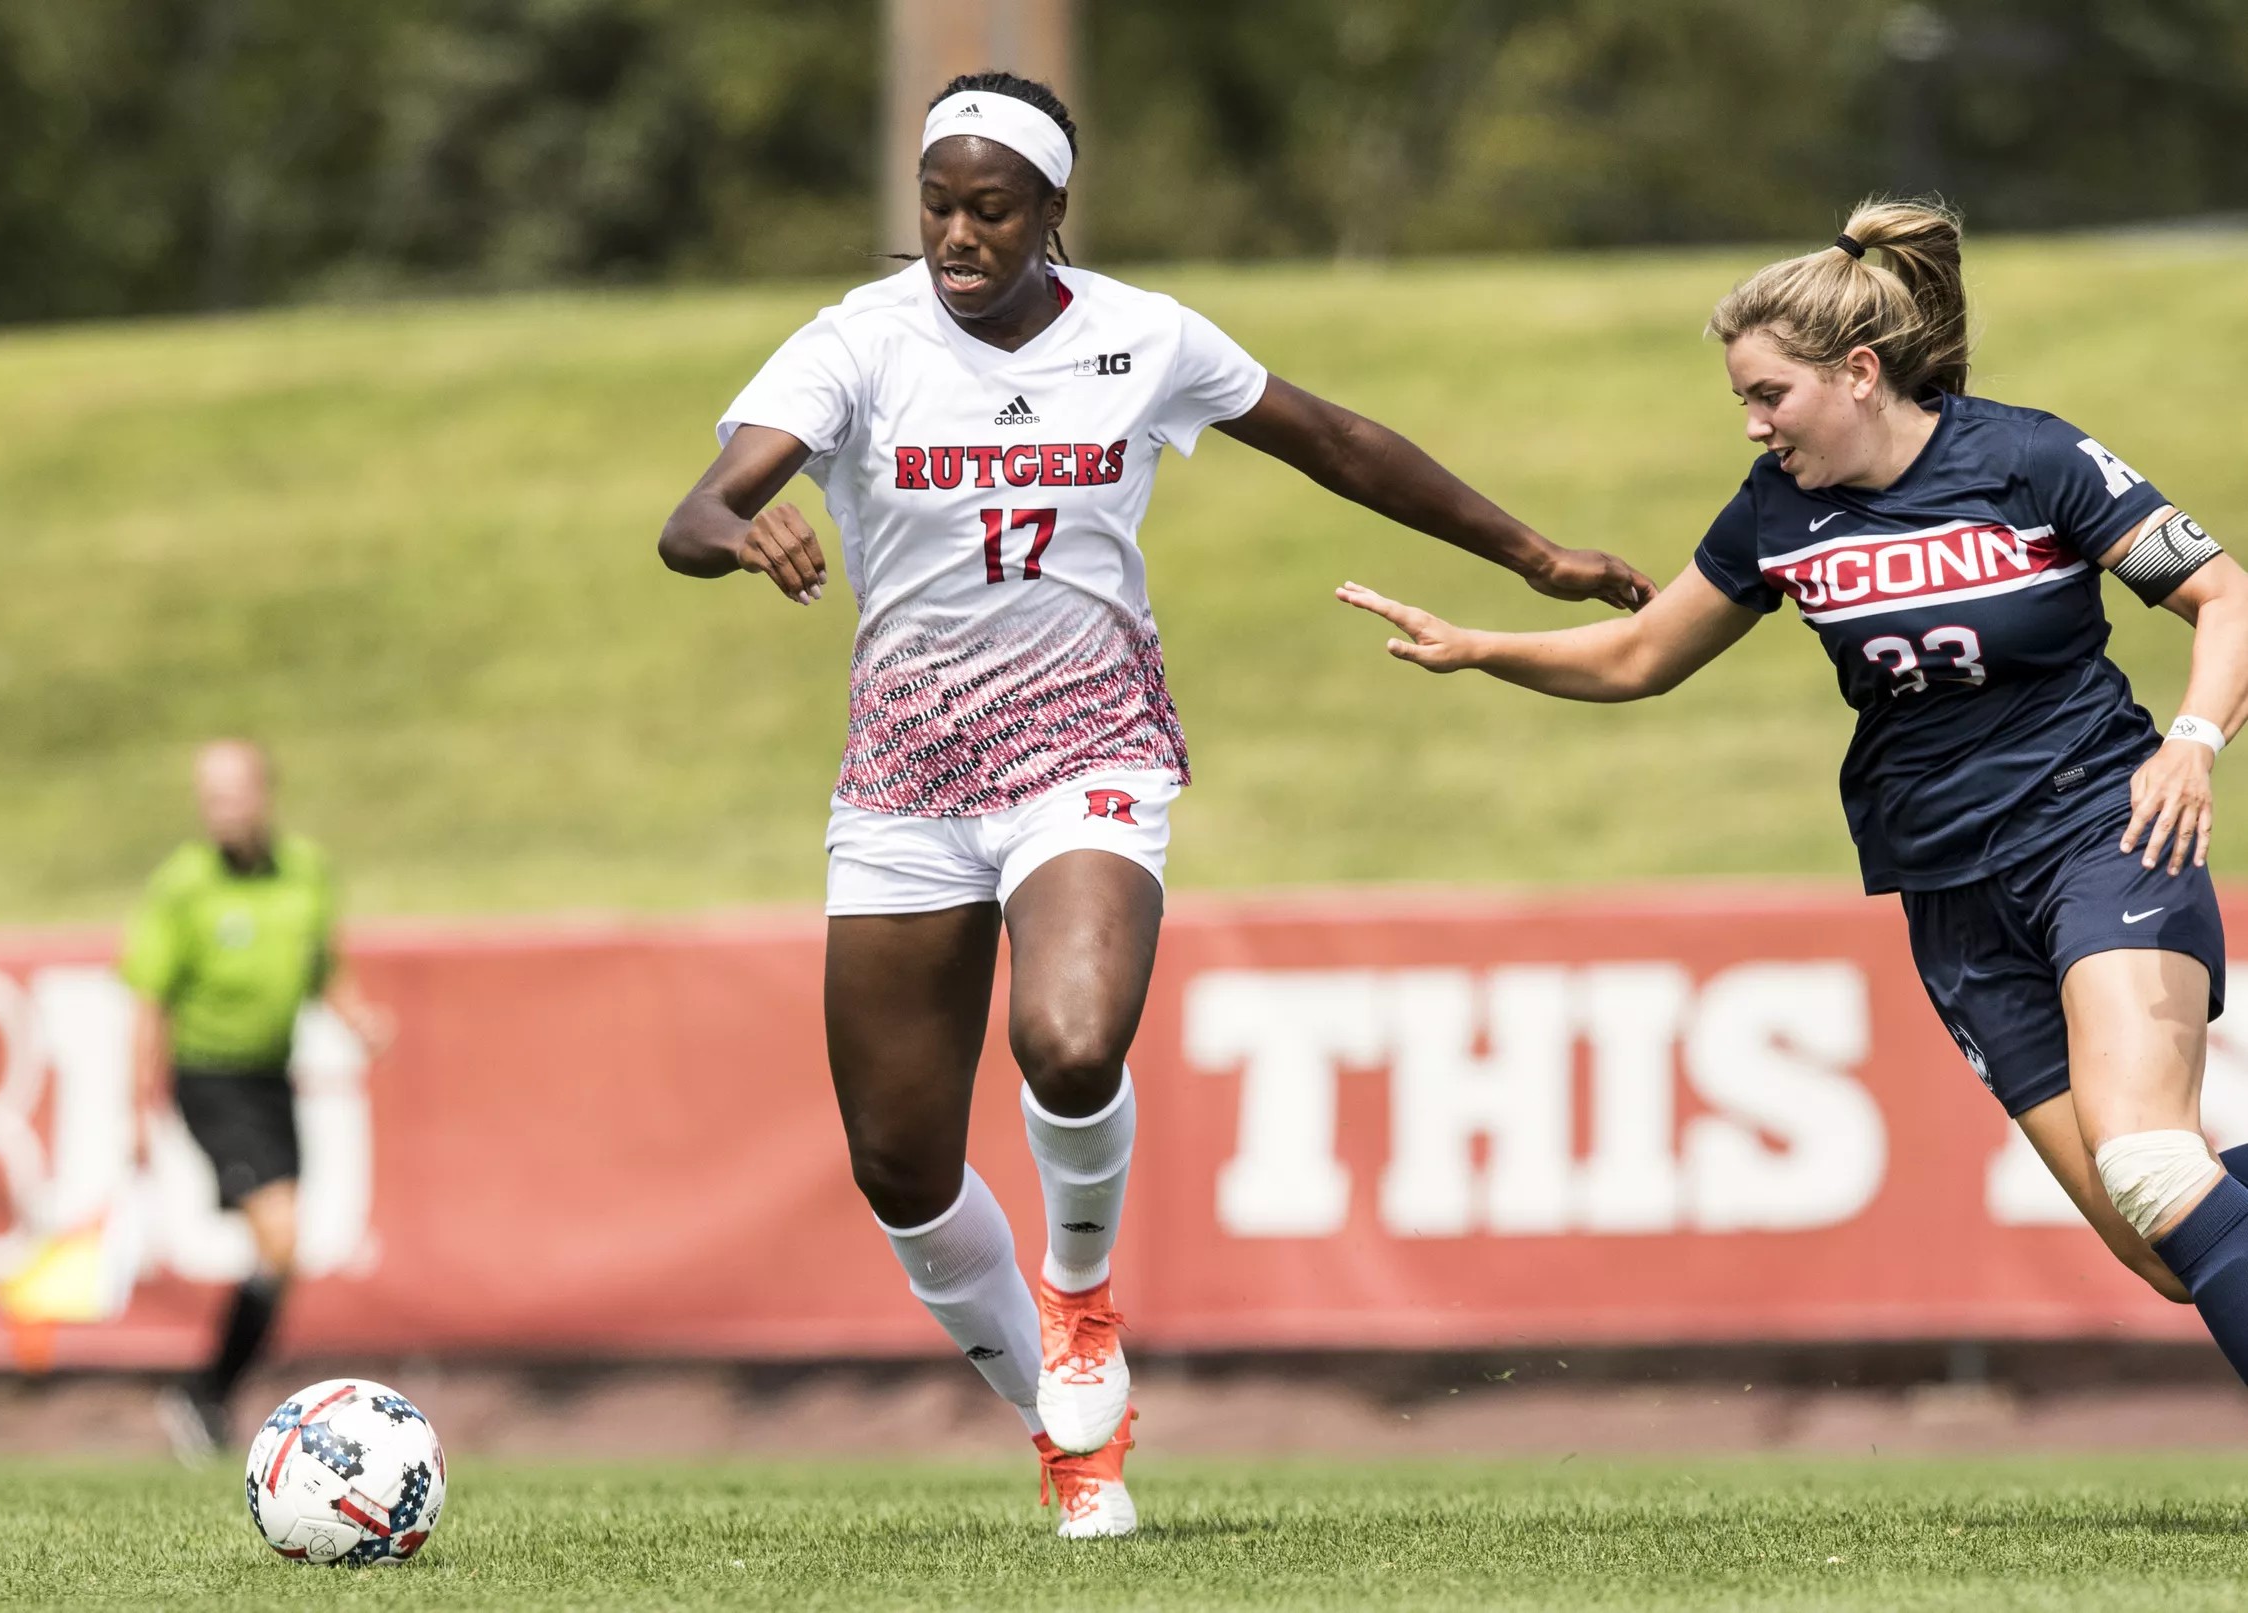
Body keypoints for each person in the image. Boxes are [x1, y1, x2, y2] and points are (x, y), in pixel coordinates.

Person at [659, 70, 1653, 1537]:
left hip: (1089, 744)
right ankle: (1073, 1436)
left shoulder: (1144, 336)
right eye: (937, 205)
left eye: (992, 209)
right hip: (907, 782)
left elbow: (1336, 438)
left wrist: (1530, 553)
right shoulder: (854, 345)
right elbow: (695, 511)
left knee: (1068, 1040)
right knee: (901, 1170)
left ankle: (1079, 1310)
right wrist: (739, 527)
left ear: (1054, 212)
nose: (957, 236)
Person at [1339, 196, 2248, 1381]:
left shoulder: (2031, 458)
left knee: (2151, 1160)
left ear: (1859, 372)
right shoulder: (1776, 511)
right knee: (2159, 1249)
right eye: (1742, 402)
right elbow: (1636, 656)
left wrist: (2190, 738)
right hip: (1948, 895)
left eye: (1768, 396)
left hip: (2102, 832)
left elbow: (2223, 595)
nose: (1755, 424)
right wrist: (1480, 647)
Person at [125, 739, 394, 1463]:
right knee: (279, 1232)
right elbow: (148, 998)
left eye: (234, 794)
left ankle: (205, 1395)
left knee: (284, 1250)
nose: (223, 810)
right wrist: (135, 1111)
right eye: (210, 798)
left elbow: (323, 968)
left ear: (263, 795)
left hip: (273, 1079)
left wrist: (357, 1017)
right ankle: (203, 1391)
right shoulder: (182, 886)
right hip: (210, 1076)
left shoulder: (306, 872)